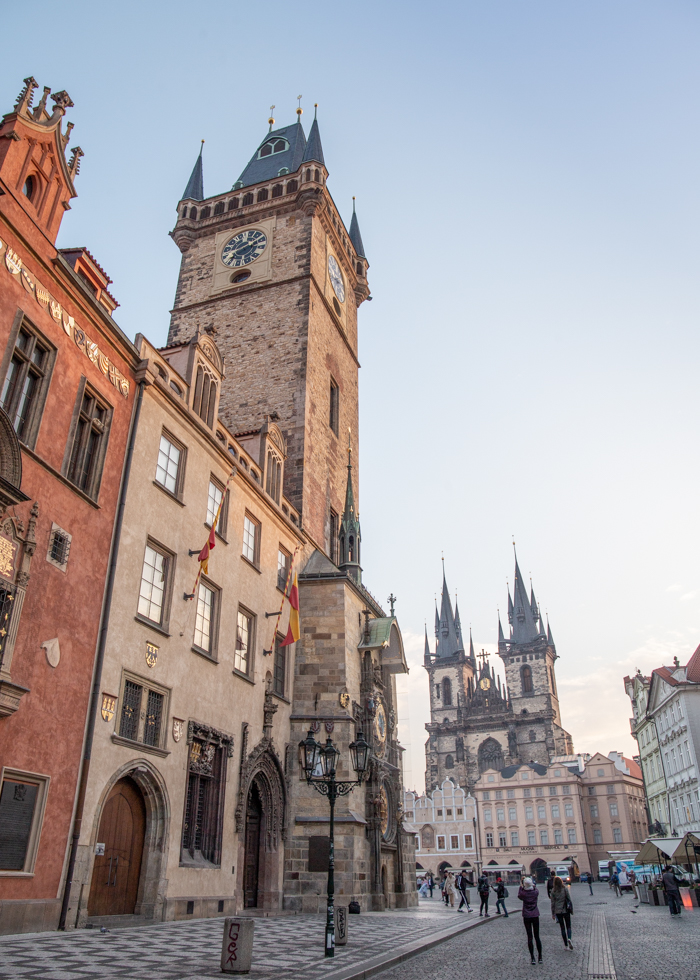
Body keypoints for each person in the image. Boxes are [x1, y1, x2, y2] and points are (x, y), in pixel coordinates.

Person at [518, 876, 542, 965]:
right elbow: (535, 888)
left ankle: (532, 958)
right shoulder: (535, 892)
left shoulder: (523, 894)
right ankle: (540, 957)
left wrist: (521, 886)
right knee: (537, 936)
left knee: (530, 937)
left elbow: (519, 894)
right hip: (535, 915)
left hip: (527, 916)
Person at [550, 875, 574, 950]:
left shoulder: (553, 891)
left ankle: (566, 945)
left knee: (562, 928)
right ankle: (569, 938)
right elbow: (569, 899)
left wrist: (553, 913)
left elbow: (552, 903)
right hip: (566, 910)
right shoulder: (565, 889)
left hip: (558, 911)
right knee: (568, 926)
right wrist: (571, 910)